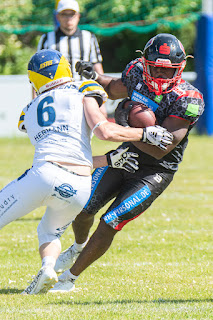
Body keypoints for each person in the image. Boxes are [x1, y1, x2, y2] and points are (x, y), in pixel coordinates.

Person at [0, 48, 171, 295]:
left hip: (44, 173)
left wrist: (143, 133)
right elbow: (99, 135)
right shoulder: (84, 90)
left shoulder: (29, 111)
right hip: (79, 185)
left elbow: (100, 135)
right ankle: (48, 267)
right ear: (66, 69)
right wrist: (139, 137)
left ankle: (50, 266)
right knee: (48, 230)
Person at [49, 33, 205, 293]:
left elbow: (161, 150)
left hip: (156, 171)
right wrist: (95, 77)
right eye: (155, 67)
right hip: (126, 155)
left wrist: (122, 122)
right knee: (84, 207)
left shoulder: (189, 99)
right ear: (144, 62)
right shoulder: (137, 73)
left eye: (168, 71)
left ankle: (69, 279)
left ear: (180, 69)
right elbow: (113, 90)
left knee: (111, 221)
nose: (159, 75)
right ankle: (77, 247)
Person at [35, 0, 106, 115]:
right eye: (64, 14)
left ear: (78, 16)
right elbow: (38, 72)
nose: (68, 18)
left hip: (86, 93)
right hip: (57, 95)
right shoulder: (47, 39)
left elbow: (98, 69)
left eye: (71, 14)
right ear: (58, 17)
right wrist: (35, 100)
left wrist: (103, 97)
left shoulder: (89, 37)